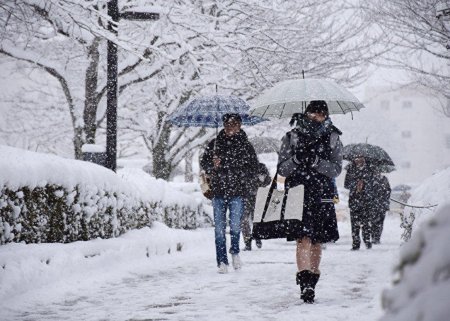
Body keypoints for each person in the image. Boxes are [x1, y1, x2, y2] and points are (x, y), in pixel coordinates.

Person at [276, 100, 343, 303]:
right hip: (298, 192)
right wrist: (297, 159)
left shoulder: (333, 137)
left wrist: (316, 162)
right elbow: (282, 170)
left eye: (321, 114)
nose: (316, 118)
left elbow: (336, 169)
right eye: (313, 114)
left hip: (322, 193)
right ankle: (304, 283)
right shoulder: (292, 137)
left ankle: (312, 282)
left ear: (326, 115)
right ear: (306, 114)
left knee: (317, 240)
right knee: (302, 238)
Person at [200, 113, 259, 274]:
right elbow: (204, 163)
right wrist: (213, 165)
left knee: (234, 227)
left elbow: (254, 167)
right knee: (219, 230)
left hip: (237, 192)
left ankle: (235, 252)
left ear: (239, 126)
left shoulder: (246, 146)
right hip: (218, 192)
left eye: (233, 125)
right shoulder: (215, 144)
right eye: (227, 125)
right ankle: (221, 261)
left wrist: (233, 167)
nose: (229, 128)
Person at [344, 157, 387, 249]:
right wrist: (356, 184)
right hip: (354, 201)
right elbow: (346, 184)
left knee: (366, 223)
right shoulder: (350, 169)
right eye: (356, 158)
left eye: (360, 158)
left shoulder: (369, 169)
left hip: (366, 201)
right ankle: (355, 243)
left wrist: (364, 185)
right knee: (354, 224)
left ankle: (367, 240)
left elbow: (373, 186)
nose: (358, 160)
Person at [241, 162, 272, 251]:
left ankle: (254, 239)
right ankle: (250, 241)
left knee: (251, 219)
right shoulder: (243, 166)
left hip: (254, 196)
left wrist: (261, 181)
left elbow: (268, 180)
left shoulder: (259, 166)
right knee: (246, 220)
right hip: (248, 196)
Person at [369, 171, 391, 244]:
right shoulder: (370, 179)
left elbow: (388, 191)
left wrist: (383, 191)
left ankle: (377, 237)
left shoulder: (384, 179)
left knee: (380, 222)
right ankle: (374, 237)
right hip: (373, 205)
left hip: (382, 204)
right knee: (373, 221)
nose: (377, 172)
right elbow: (369, 191)